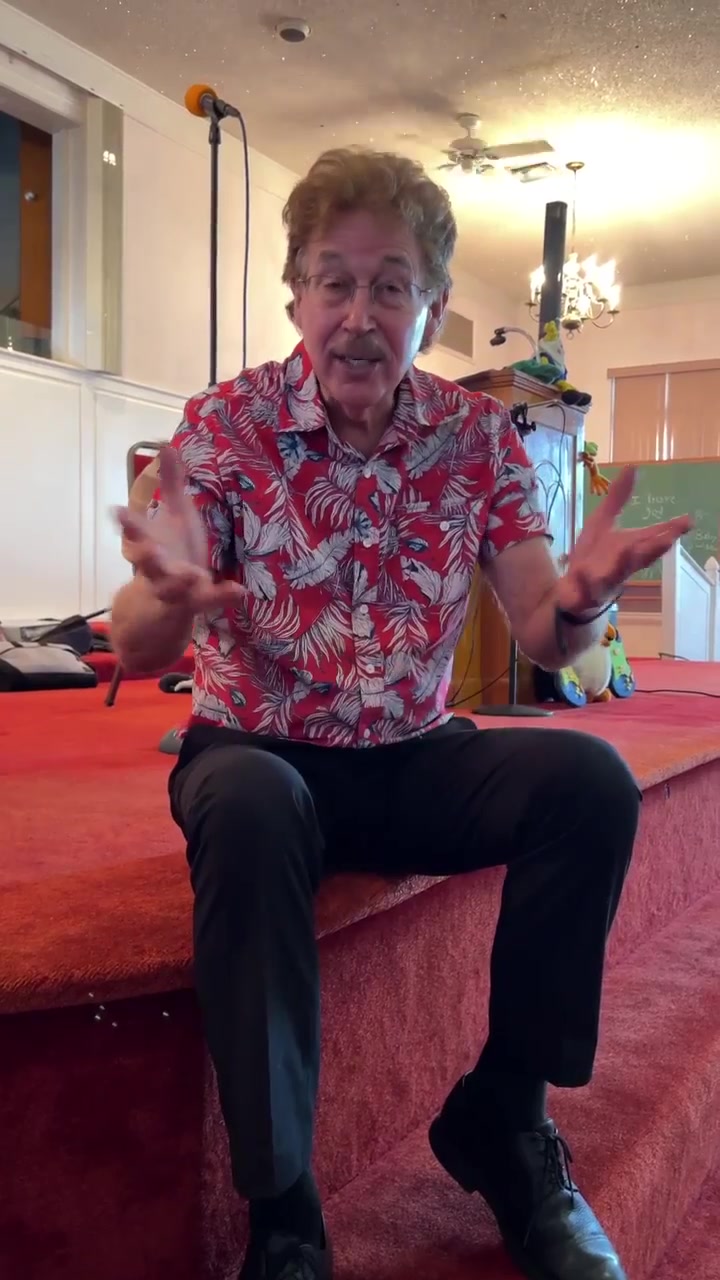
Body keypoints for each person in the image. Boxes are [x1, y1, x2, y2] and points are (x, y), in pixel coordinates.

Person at [112, 148, 691, 1280]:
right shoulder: (223, 426)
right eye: (334, 281)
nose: (359, 314)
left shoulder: (477, 437)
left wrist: (582, 603)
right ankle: (285, 1208)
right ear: (297, 295)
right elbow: (138, 639)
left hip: (413, 754)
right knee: (250, 801)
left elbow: (545, 635)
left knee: (589, 783)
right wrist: (165, 599)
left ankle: (503, 1118)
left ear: (432, 305)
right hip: (258, 753)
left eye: (390, 285)